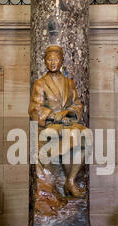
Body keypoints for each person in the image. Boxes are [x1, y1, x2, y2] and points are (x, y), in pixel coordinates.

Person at [29, 45, 89, 198]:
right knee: (74, 136)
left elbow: (77, 104)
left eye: (56, 59)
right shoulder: (40, 83)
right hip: (49, 125)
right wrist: (52, 115)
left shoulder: (69, 83)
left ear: (62, 61)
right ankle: (68, 182)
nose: (52, 62)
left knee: (85, 135)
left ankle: (70, 180)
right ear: (45, 62)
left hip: (67, 123)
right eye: (49, 59)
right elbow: (34, 108)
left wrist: (67, 112)